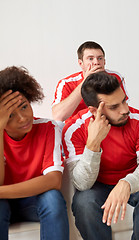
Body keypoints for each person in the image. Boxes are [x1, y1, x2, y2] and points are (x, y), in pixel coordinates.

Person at [62, 71, 139, 240]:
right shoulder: (73, 129)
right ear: (94, 110)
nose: (125, 110)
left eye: (123, 100)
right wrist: (93, 144)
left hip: (131, 178)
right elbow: (81, 183)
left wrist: (126, 183)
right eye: (114, 107)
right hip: (96, 185)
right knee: (83, 202)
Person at [0, 66, 69, 240]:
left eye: (24, 107)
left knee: (52, 199)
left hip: (33, 204)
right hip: (3, 207)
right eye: (9, 115)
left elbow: (53, 180)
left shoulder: (48, 128)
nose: (22, 118)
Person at [52, 41, 128, 122]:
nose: (96, 62)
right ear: (81, 63)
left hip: (107, 125)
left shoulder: (114, 77)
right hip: (77, 128)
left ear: (104, 62)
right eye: (90, 58)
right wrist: (85, 82)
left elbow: (122, 107)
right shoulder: (66, 83)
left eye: (100, 58)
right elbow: (58, 117)